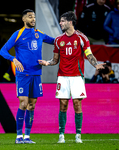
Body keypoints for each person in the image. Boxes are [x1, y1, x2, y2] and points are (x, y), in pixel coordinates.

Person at [38, 11, 105, 143]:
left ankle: (78, 135)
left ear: (70, 21)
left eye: (62, 21)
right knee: (63, 105)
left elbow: (88, 54)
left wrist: (95, 64)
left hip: (77, 77)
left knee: (77, 104)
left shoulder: (81, 38)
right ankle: (61, 135)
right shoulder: (58, 40)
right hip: (62, 77)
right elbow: (55, 59)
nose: (60, 23)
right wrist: (48, 62)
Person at [0, 9, 55, 144]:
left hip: (36, 73)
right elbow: (3, 50)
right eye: (30, 17)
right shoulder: (18, 34)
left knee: (32, 105)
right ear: (24, 19)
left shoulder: (39, 34)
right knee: (23, 103)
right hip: (23, 74)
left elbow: (54, 41)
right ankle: (18, 136)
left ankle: (27, 136)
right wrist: (13, 59)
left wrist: (68, 36)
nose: (33, 19)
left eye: (34, 17)